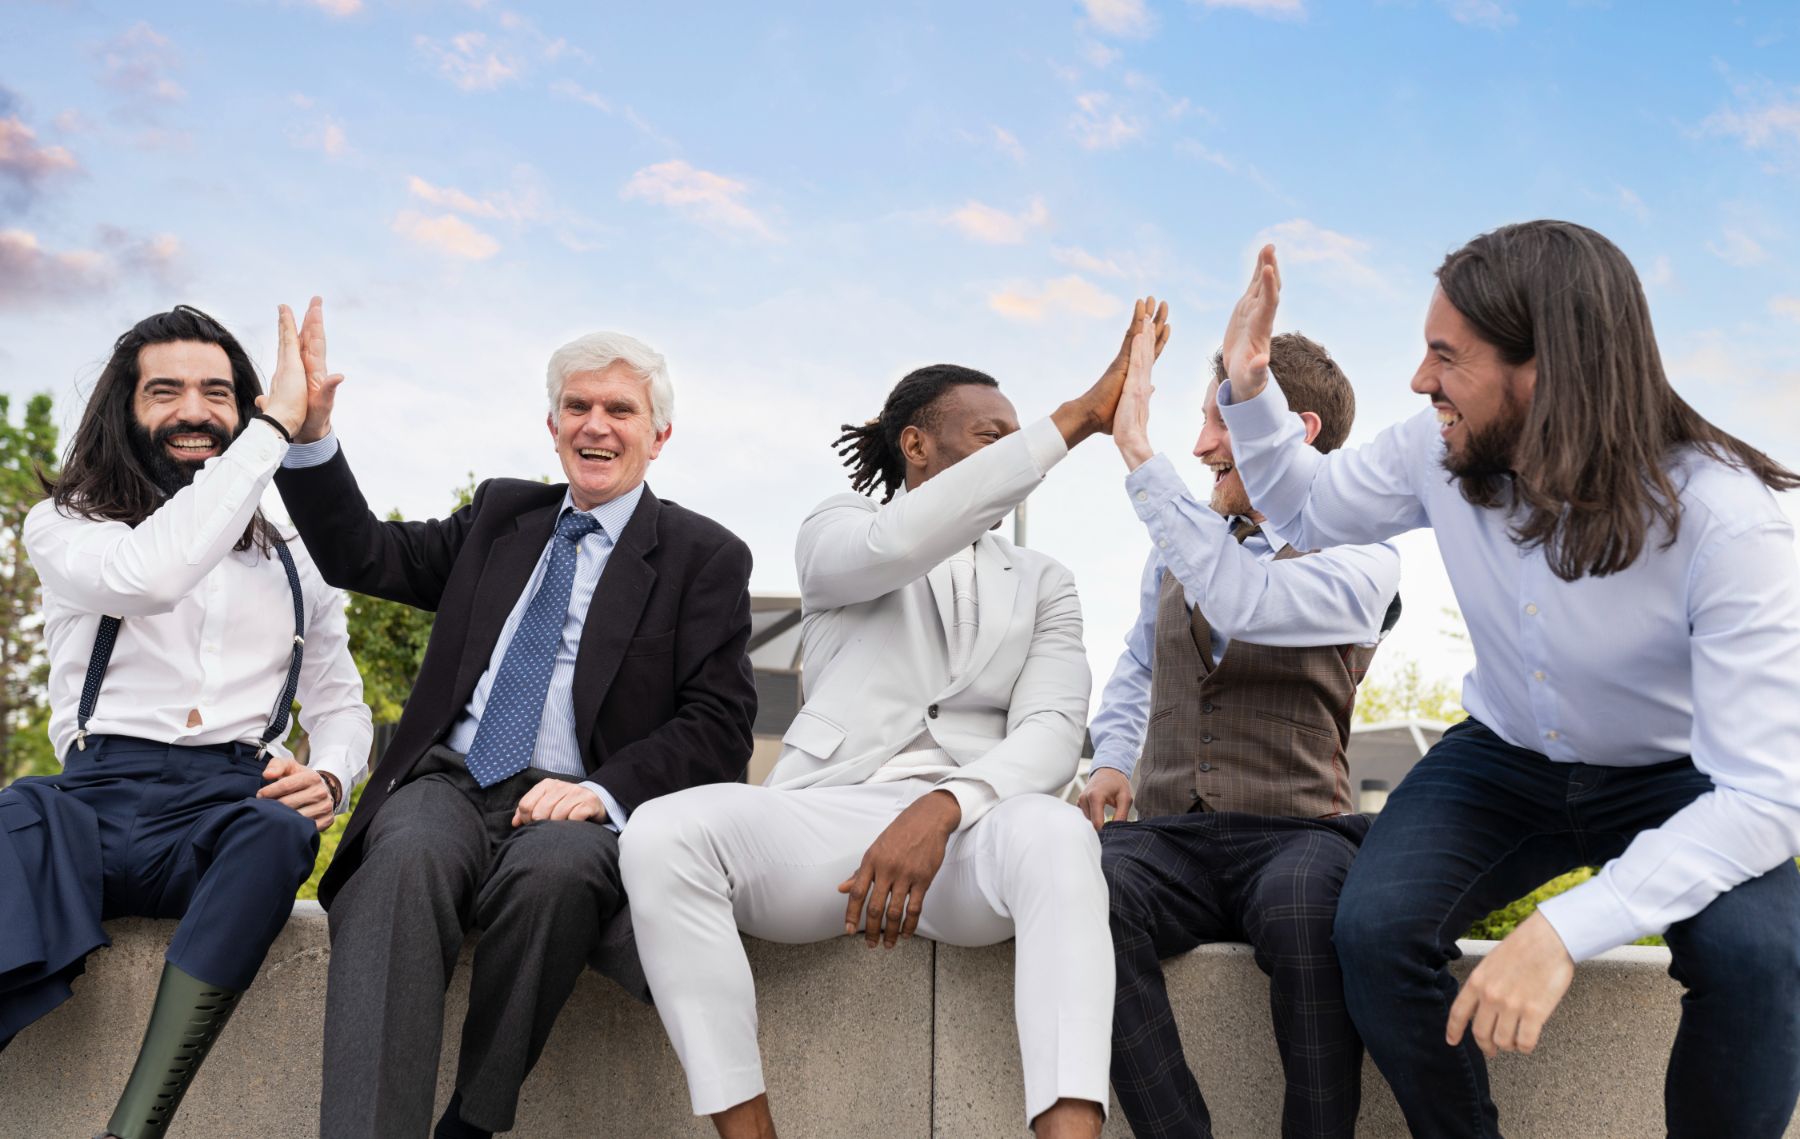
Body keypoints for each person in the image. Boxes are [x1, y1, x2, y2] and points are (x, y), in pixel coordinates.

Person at [1217, 221, 1800, 1137]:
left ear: (1546, 371)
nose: (1420, 381)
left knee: (1761, 959)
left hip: (1679, 774)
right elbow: (1306, 507)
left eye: (1446, 356)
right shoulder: (1436, 448)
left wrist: (1565, 928)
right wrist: (1250, 387)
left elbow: (1766, 795)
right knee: (1374, 931)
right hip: (1504, 758)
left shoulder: (1728, 522)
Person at [619, 300, 1171, 1139]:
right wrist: (1072, 421)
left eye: (1018, 439)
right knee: (661, 833)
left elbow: (1055, 732)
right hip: (829, 819)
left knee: (1061, 835)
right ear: (916, 443)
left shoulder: (1044, 581)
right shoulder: (839, 529)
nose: (1013, 456)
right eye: (992, 438)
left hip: (975, 837)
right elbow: (900, 544)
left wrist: (945, 806)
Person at [272, 306, 757, 1139]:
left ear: (659, 436)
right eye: (577, 406)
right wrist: (311, 435)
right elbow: (362, 554)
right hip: (450, 782)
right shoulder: (501, 515)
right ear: (552, 425)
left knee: (556, 877)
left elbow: (720, 724)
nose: (595, 425)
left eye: (620, 409)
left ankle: (471, 1121)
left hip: (576, 801)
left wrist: (602, 790)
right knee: (402, 861)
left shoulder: (703, 556)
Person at [0, 303, 372, 1139]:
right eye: (164, 391)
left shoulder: (295, 560)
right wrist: (273, 429)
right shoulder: (69, 526)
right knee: (11, 819)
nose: (193, 411)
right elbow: (151, 575)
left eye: (217, 392)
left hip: (221, 810)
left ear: (242, 408)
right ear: (124, 409)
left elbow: (339, 701)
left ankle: (134, 1127)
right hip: (89, 804)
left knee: (278, 832)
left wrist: (332, 772)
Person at [1081, 326, 1400, 1138]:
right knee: (1084, 887)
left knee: (1305, 909)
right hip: (1172, 833)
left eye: (1218, 420)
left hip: (1297, 832)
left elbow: (1249, 601)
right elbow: (1140, 658)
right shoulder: (1180, 542)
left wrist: (1137, 452)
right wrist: (1113, 758)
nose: (1200, 445)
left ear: (1294, 431)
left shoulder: (1363, 555)